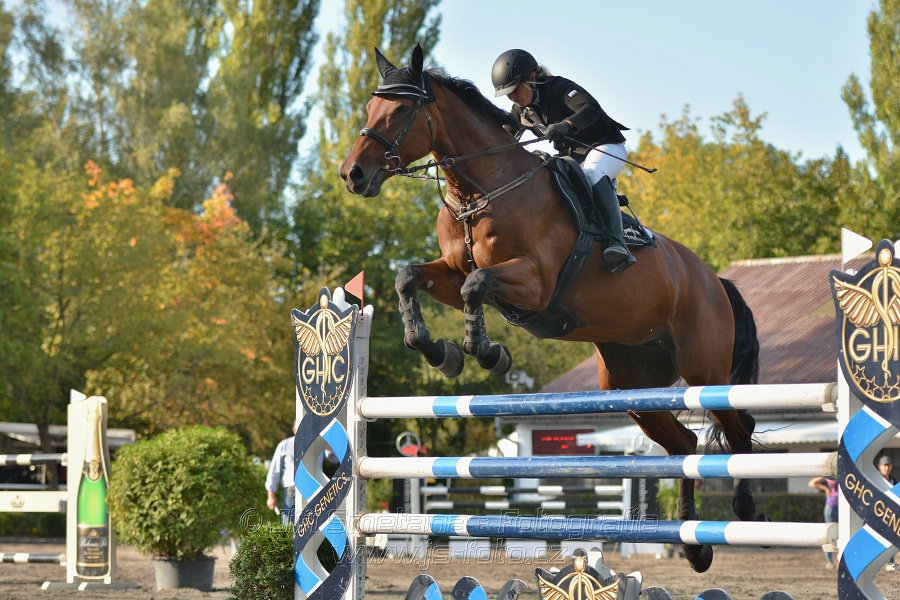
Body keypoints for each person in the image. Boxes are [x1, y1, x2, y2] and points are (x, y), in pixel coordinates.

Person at [491, 48, 635, 274]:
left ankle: (618, 242)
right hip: (573, 159)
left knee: (592, 173)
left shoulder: (558, 87)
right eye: (507, 94)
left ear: (532, 78)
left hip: (605, 146)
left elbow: (591, 108)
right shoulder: (521, 111)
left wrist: (566, 125)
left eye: (514, 89)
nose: (512, 97)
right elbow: (504, 139)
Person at [266, 422, 298, 526]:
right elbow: (274, 471)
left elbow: (334, 458)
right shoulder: (285, 445)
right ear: (294, 429)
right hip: (291, 494)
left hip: (313, 494)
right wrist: (271, 496)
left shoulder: (318, 444)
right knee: (289, 529)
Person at [808, 476, 839, 568]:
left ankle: (841, 559)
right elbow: (811, 483)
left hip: (842, 507)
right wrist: (825, 488)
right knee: (828, 533)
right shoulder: (828, 474)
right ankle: (829, 560)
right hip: (831, 505)